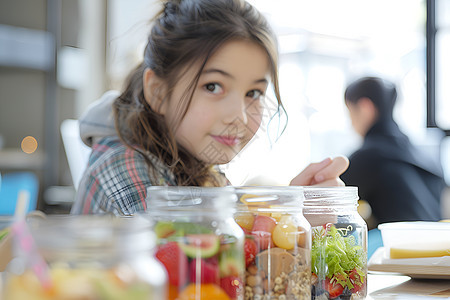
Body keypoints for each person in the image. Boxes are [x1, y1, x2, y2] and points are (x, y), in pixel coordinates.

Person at [71, 0, 349, 215]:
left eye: (253, 92)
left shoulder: (197, 167)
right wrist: (288, 218)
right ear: (158, 91)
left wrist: (296, 207)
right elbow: (189, 269)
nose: (238, 116)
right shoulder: (125, 164)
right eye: (213, 86)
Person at [341, 76, 446, 226]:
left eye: (350, 113)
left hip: (401, 245)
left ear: (365, 107)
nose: (351, 123)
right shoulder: (423, 154)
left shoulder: (369, 157)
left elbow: (329, 201)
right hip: (438, 245)